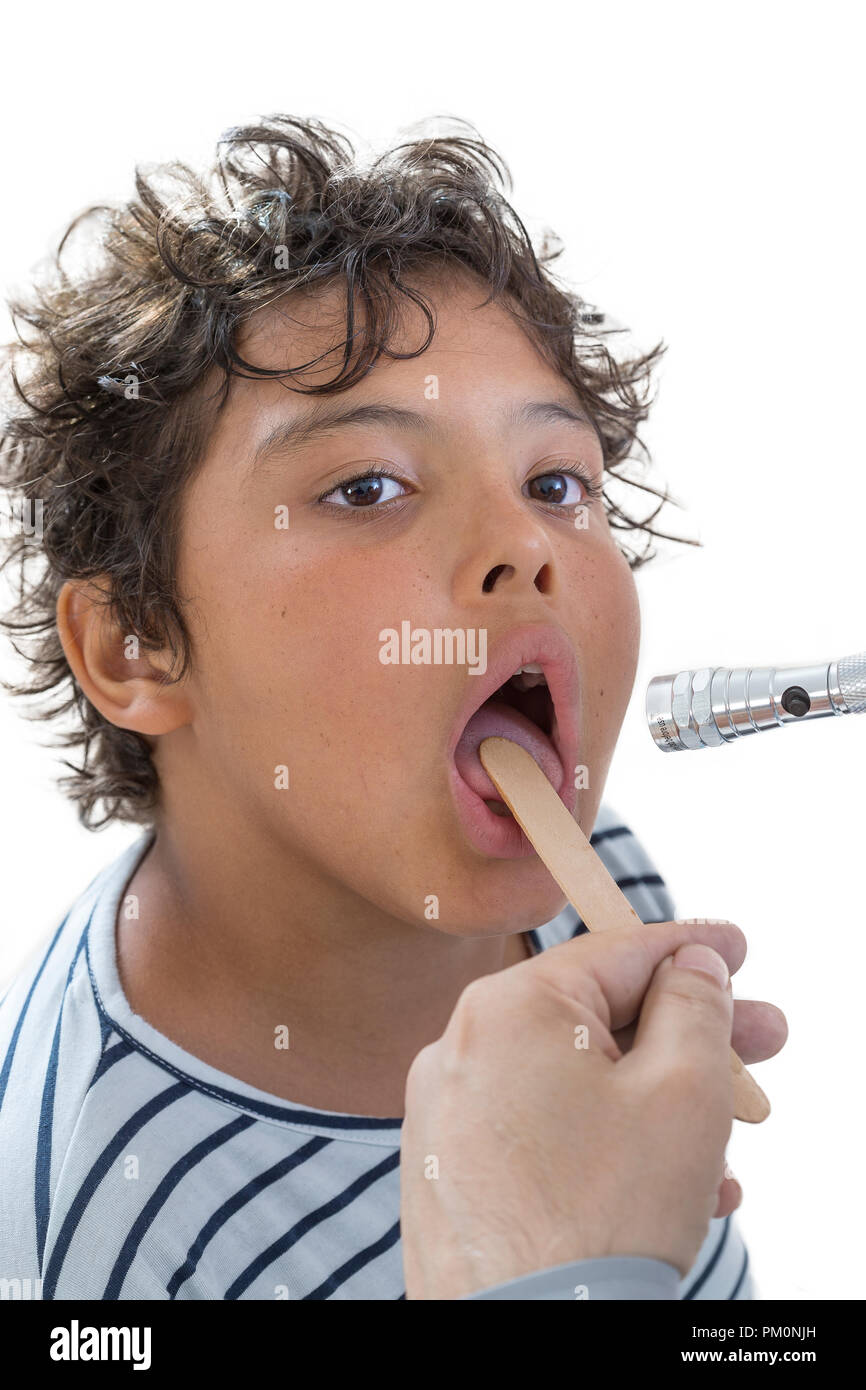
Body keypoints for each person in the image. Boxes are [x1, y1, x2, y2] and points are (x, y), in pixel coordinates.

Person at [0, 114, 785, 1299]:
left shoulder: (590, 881)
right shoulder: (92, 1241)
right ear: (135, 642)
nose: (524, 544)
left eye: (554, 480)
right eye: (367, 485)